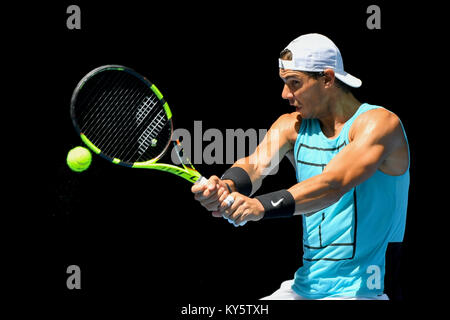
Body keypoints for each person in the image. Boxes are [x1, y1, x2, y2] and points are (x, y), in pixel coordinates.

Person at [191, 33, 409, 300]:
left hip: (366, 292)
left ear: (327, 79)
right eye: (284, 83)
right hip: (304, 288)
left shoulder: (380, 123)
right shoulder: (290, 126)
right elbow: (255, 165)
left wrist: (259, 207)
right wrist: (225, 186)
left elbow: (333, 184)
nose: (285, 94)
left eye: (295, 83)